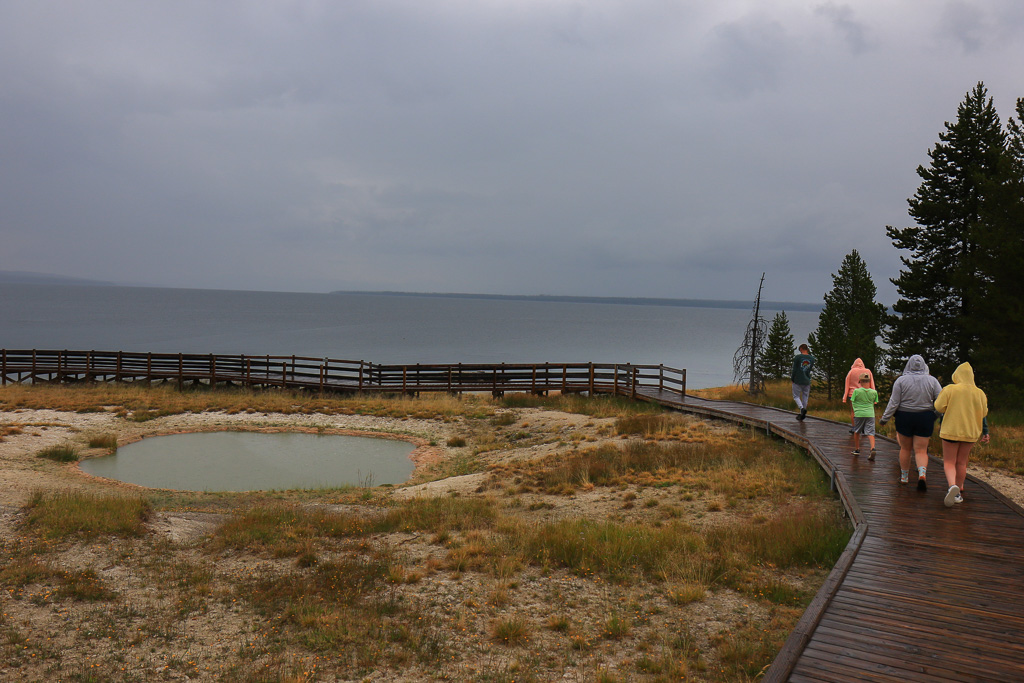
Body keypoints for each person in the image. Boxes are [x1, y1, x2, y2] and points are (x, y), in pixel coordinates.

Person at [879, 355, 942, 490]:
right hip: (925, 417)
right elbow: (941, 401)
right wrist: (935, 415)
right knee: (921, 450)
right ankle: (922, 474)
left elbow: (894, 402)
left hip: (904, 416)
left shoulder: (901, 381)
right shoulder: (932, 381)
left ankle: (904, 477)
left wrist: (885, 418)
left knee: (905, 448)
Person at [934, 362, 989, 507]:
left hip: (951, 431)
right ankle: (958, 491)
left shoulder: (950, 389)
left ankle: (952, 487)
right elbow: (984, 413)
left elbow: (938, 406)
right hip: (970, 433)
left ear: (957, 375)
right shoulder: (980, 393)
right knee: (962, 462)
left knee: (949, 462)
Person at [850, 373, 878, 459]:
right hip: (870, 414)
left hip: (859, 413)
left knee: (857, 431)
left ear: (860, 381)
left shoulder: (856, 391)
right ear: (869, 381)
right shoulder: (874, 392)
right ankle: (872, 448)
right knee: (870, 432)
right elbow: (875, 402)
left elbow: (852, 401)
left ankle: (857, 449)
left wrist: (855, 410)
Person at [843, 359, 875, 432]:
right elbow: (872, 383)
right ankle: (863, 428)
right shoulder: (868, 371)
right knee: (864, 410)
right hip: (866, 394)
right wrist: (874, 397)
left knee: (853, 411)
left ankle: (855, 427)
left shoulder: (851, 372)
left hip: (853, 394)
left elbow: (847, 384)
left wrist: (844, 397)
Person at [791, 344, 815, 421]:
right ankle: (803, 411)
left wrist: (792, 378)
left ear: (801, 349)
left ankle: (801, 409)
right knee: (805, 396)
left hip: (798, 379)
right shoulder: (812, 358)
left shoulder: (798, 357)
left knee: (796, 396)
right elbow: (809, 368)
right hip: (807, 379)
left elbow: (794, 369)